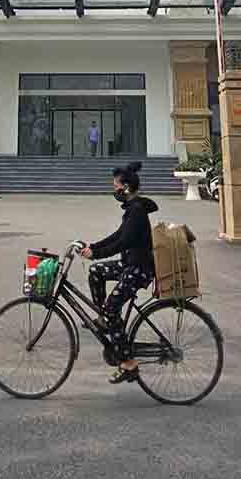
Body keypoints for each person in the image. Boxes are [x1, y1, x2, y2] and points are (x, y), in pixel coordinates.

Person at [80, 160, 158, 383]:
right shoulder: (132, 210)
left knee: (112, 307)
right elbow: (116, 236)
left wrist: (97, 252)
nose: (114, 189)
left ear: (125, 187)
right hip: (128, 265)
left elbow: (122, 242)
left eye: (116, 185)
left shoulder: (137, 211)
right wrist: (93, 247)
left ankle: (128, 363)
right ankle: (104, 320)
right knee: (96, 272)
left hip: (139, 270)